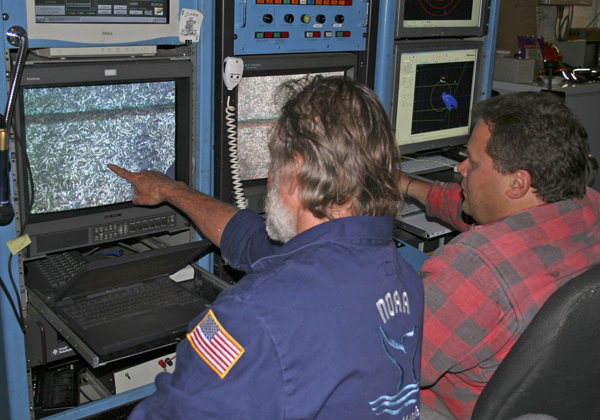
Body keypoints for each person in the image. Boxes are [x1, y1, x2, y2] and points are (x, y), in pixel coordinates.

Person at [109, 76, 424, 419]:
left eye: (274, 163)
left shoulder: (251, 315)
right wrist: (171, 191)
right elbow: (250, 240)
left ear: (296, 169)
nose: (271, 178)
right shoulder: (402, 274)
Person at [400, 91, 600, 420]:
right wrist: (406, 184)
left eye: (474, 163)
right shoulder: (588, 205)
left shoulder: (476, 266)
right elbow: (484, 204)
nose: (460, 167)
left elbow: (397, 363)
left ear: (518, 183)